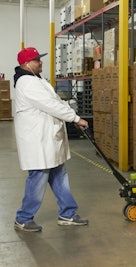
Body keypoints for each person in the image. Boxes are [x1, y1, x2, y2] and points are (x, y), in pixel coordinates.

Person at [13, 47, 89, 232]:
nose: (40, 62)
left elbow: (55, 102)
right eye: (36, 59)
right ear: (26, 64)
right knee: (38, 177)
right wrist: (75, 118)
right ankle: (23, 218)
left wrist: (71, 115)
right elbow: (50, 105)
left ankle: (67, 214)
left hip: (48, 140)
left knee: (59, 175)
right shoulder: (26, 82)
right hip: (38, 141)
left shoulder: (35, 80)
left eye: (40, 58)